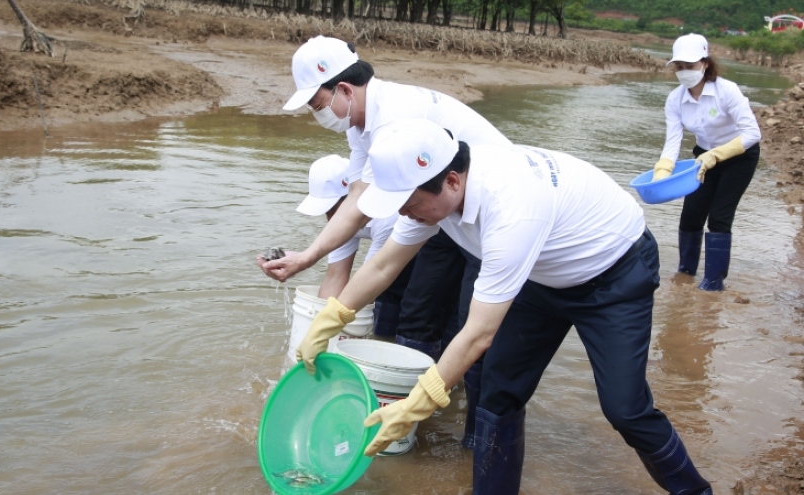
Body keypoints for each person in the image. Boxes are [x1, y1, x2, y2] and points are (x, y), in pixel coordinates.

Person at [296, 118, 713, 494]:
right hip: (539, 274)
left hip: (613, 272)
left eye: (409, 204)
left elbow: (478, 333)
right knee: (497, 397)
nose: (405, 213)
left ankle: (694, 491)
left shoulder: (511, 208)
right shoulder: (427, 192)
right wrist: (329, 320)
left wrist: (414, 405)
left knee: (625, 409)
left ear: (453, 182)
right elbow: (386, 263)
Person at [257, 35, 515, 446]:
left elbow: (374, 228)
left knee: (474, 327)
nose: (318, 115)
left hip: (490, 216)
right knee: (418, 316)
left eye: (318, 106)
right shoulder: (362, 127)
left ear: (343, 89)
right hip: (439, 212)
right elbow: (359, 198)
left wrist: (333, 309)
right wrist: (308, 259)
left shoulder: (397, 122)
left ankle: (473, 442)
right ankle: (419, 421)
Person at [652, 33, 761, 291]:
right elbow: (673, 141)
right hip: (703, 157)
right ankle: (685, 273)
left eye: (690, 66)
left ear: (705, 64)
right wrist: (662, 172)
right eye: (679, 67)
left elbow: (752, 133)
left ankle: (713, 282)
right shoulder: (675, 100)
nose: (684, 72)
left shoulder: (727, 91)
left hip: (739, 157)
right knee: (691, 216)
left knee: (719, 218)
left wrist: (716, 155)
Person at [295, 154, 413, 336]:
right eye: (326, 211)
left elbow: (373, 276)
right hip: (385, 258)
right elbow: (335, 276)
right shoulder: (342, 222)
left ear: (353, 196)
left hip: (420, 243)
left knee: (403, 307)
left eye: (334, 208)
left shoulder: (387, 217)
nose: (330, 218)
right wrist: (317, 327)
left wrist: (333, 325)